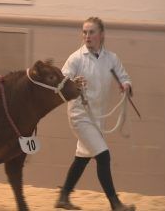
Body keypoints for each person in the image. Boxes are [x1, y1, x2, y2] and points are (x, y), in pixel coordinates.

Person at [55, 17, 136, 211]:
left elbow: (124, 77)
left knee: (82, 157)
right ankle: (115, 203)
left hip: (97, 117)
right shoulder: (76, 58)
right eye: (84, 32)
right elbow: (61, 83)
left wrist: (126, 85)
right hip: (80, 115)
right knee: (103, 155)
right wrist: (73, 83)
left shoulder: (111, 58)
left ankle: (63, 197)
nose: (87, 36)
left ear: (101, 35)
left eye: (91, 32)